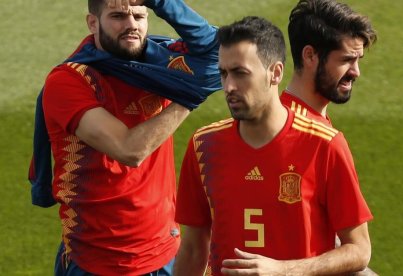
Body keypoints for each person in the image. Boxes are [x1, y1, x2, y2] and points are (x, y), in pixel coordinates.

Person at [32, 0, 221, 275]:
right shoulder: (69, 81)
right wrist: (190, 97)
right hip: (95, 260)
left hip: (164, 253)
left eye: (139, 16)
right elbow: (130, 149)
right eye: (118, 16)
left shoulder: (159, 65)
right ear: (93, 23)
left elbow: (216, 48)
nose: (131, 24)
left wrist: (162, 2)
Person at [174, 15, 373, 275]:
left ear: (275, 73)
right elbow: (192, 249)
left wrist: (284, 270)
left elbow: (359, 249)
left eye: (240, 73)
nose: (229, 86)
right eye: (223, 73)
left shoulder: (325, 144)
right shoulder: (204, 145)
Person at [280, 1, 377, 274]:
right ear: (310, 56)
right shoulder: (320, 139)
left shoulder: (275, 121)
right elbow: (358, 251)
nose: (355, 72)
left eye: (357, 60)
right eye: (346, 60)